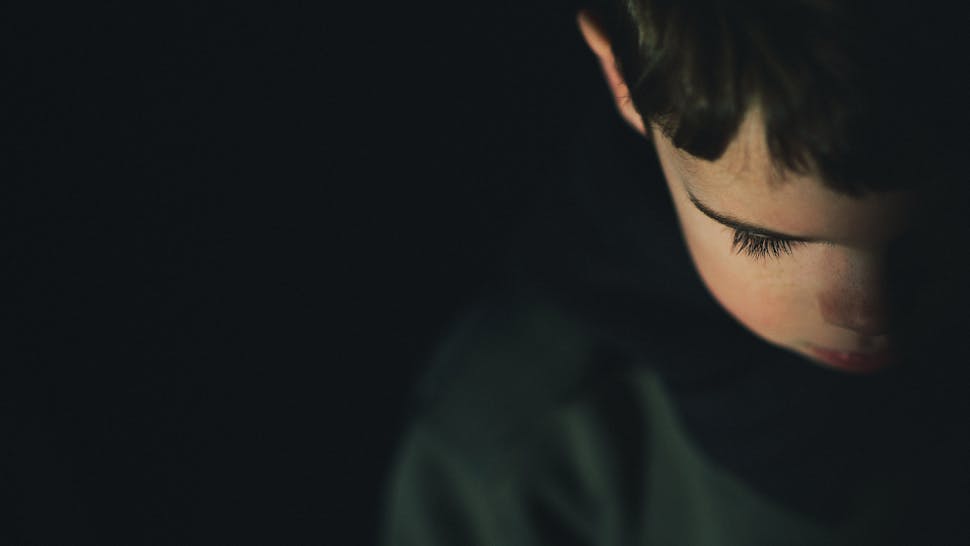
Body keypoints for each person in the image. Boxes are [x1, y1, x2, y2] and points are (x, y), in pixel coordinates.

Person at [379, 1, 968, 544]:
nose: (871, 313)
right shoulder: (516, 456)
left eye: (949, 223)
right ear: (621, 75)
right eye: (760, 240)